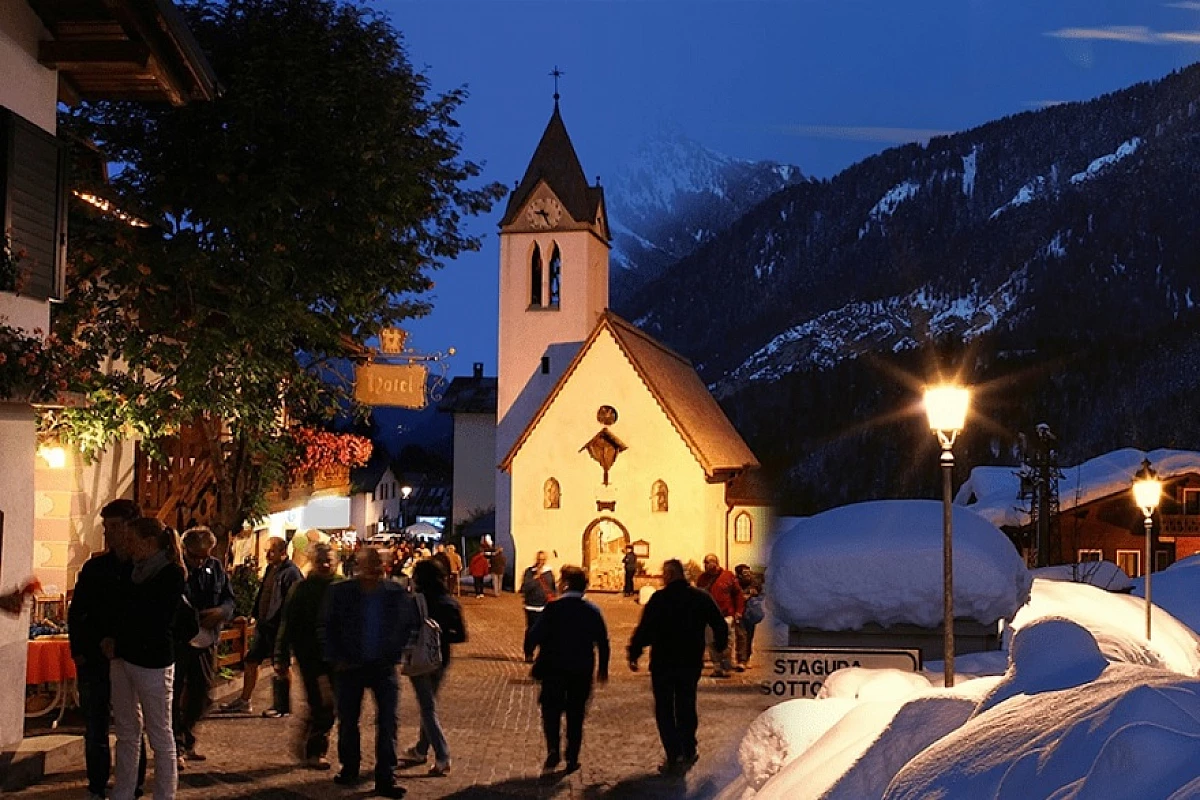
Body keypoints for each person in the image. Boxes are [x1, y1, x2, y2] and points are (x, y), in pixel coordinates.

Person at [322, 546, 418, 799]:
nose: (374, 568)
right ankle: (349, 768)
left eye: (378, 563)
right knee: (348, 720)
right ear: (359, 565)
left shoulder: (395, 592)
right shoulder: (341, 592)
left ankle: (386, 776)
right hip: (350, 666)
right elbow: (327, 626)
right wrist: (336, 658)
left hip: (383, 667)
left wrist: (396, 651)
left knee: (388, 722)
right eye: (370, 563)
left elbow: (408, 623)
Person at [68, 498, 146, 800]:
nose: (109, 532)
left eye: (116, 526)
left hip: (129, 659)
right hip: (95, 660)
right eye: (107, 526)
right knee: (96, 727)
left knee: (131, 728)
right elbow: (79, 613)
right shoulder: (95, 567)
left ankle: (132, 785)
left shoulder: (141, 569)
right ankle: (96, 786)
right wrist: (80, 650)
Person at [103, 517, 187, 800]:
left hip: (152, 660)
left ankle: (165, 795)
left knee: (160, 734)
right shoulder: (132, 570)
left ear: (149, 543)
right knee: (127, 731)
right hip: (124, 657)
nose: (127, 545)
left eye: (132, 540)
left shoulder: (170, 574)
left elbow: (155, 618)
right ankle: (123, 792)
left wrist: (122, 634)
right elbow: (120, 610)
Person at [628, 558, 729, 775]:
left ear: (670, 575)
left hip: (663, 662)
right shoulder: (700, 597)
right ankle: (688, 748)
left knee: (665, 708)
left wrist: (635, 652)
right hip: (689, 661)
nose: (663, 577)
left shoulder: (659, 599)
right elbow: (718, 623)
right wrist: (720, 645)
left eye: (664, 573)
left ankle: (674, 753)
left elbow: (645, 629)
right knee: (686, 703)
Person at [524, 566, 610, 774]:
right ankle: (572, 757)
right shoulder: (592, 610)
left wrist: (530, 649)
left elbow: (534, 634)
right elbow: (603, 642)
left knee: (551, 712)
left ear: (566, 584)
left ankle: (553, 750)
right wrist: (603, 669)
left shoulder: (553, 608)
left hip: (553, 668)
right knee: (576, 715)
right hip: (580, 670)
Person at [276, 543, 343, 770]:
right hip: (310, 656)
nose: (325, 564)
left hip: (337, 655)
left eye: (329, 560)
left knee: (330, 704)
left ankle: (306, 741)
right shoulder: (302, 589)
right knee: (321, 703)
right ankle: (315, 750)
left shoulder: (343, 587)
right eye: (321, 560)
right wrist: (281, 655)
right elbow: (288, 623)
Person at [220, 536, 302, 715]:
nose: (268, 555)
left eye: (272, 551)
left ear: (283, 552)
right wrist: (255, 615)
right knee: (251, 661)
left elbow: (294, 602)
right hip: (264, 624)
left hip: (278, 627)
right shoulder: (271, 569)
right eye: (267, 551)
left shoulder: (291, 573)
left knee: (281, 665)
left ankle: (283, 707)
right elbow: (264, 593)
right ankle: (244, 700)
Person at [174, 526, 234, 770]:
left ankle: (187, 737)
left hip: (206, 640)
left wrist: (221, 612)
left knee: (203, 693)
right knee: (175, 694)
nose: (200, 561)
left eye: (204, 555)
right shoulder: (176, 570)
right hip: (179, 642)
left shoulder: (215, 568)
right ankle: (176, 745)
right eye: (195, 555)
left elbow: (230, 599)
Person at [400, 559, 466, 777]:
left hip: (420, 659)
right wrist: (441, 635)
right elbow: (461, 635)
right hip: (441, 658)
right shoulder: (450, 603)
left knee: (427, 708)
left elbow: (407, 628)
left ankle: (442, 755)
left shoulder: (416, 601)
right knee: (429, 705)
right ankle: (420, 749)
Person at [695, 553, 744, 678]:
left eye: (709, 562)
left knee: (728, 643)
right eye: (705, 563)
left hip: (727, 615)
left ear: (716, 563)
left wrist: (738, 612)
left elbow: (738, 594)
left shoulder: (728, 576)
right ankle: (717, 667)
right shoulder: (702, 579)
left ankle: (726, 667)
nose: (706, 565)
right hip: (709, 618)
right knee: (711, 642)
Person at [520, 551, 556, 636]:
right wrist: (536, 578)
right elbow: (525, 587)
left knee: (545, 629)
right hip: (531, 606)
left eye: (543, 560)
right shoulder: (529, 572)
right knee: (531, 629)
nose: (541, 562)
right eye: (539, 559)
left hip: (545, 605)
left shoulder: (549, 573)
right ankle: (529, 647)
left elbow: (552, 588)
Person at [734, 564, 763, 670]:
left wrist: (749, 594)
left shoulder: (754, 581)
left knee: (749, 636)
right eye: (744, 573)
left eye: (748, 572)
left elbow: (759, 590)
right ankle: (741, 660)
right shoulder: (735, 583)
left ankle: (746, 658)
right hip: (739, 612)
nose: (748, 575)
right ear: (739, 575)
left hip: (751, 613)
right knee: (741, 635)